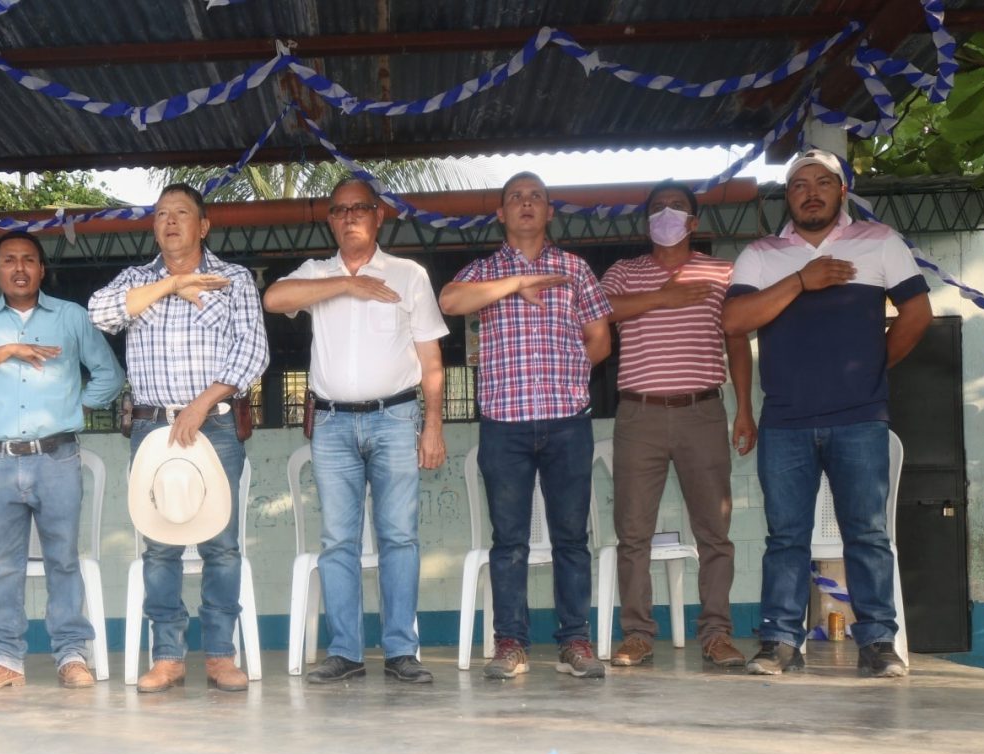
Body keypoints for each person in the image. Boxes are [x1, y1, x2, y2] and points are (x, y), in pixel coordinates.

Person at [722, 149, 933, 677]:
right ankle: (778, 642)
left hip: (860, 417)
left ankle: (879, 643)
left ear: (842, 191)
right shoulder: (762, 254)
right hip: (785, 421)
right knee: (785, 537)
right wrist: (801, 281)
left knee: (866, 533)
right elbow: (733, 321)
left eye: (823, 182)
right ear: (787, 196)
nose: (810, 191)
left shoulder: (879, 241)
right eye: (798, 184)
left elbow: (917, 313)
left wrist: (872, 368)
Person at [263, 176, 449, 685]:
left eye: (359, 209)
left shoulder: (408, 275)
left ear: (378, 216)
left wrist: (432, 426)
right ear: (331, 220)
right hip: (332, 423)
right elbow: (274, 298)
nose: (349, 218)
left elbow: (432, 359)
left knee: (399, 538)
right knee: (338, 540)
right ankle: (344, 652)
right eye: (340, 211)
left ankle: (400, 652)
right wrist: (345, 284)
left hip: (395, 419)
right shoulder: (317, 272)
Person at [88, 183, 269, 693]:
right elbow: (99, 313)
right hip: (150, 426)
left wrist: (202, 403)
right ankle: (167, 656)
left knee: (222, 545)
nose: (170, 222)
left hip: (211, 422)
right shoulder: (135, 280)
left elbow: (253, 353)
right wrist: (170, 286)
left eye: (182, 213)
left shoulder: (232, 279)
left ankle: (219, 655)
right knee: (160, 545)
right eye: (162, 214)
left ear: (203, 225)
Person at [439, 171, 613, 680]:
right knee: (509, 540)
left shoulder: (575, 269)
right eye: (515, 197)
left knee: (571, 537)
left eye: (536, 196)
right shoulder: (484, 270)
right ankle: (510, 644)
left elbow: (599, 340)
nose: (526, 203)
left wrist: (571, 379)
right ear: (501, 213)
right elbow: (450, 301)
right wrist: (515, 284)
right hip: (505, 424)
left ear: (550, 211)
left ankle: (575, 642)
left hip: (566, 421)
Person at [0, 231, 124, 692]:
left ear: (42, 270)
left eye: (28, 260)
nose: (19, 268)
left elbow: (109, 375)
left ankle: (71, 656)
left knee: (63, 561)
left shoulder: (71, 317)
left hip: (57, 456)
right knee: (4, 566)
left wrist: (74, 408)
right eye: (8, 261)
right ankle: (3, 661)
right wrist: (7, 351)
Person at [601, 182, 754, 669]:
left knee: (714, 532)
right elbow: (601, 313)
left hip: (703, 411)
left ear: (693, 223)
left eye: (677, 208)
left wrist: (745, 408)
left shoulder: (722, 272)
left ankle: (715, 634)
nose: (666, 215)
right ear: (646, 222)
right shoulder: (624, 272)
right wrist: (663, 298)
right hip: (639, 414)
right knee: (633, 533)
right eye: (656, 209)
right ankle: (638, 635)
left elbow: (737, 341)